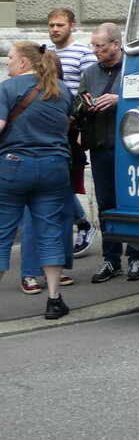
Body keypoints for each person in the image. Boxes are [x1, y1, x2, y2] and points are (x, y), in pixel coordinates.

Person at [18, 8, 98, 294]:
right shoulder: (28, 84)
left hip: (67, 146)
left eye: (59, 24)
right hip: (38, 156)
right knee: (39, 211)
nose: (54, 29)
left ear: (72, 26)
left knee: (61, 208)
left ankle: (55, 267)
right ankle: (31, 272)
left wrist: (78, 132)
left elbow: (88, 94)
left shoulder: (72, 73)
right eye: (50, 24)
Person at [0, 42, 74, 319]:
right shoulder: (63, 89)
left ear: (24, 63)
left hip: (13, 168)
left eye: (10, 58)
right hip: (55, 168)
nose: (7, 63)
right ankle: (54, 300)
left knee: (2, 234)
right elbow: (65, 124)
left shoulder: (6, 89)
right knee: (50, 232)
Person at [79, 23, 139, 283]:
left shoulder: (136, 68)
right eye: (93, 46)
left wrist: (119, 100)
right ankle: (110, 259)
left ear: (116, 45)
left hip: (132, 147)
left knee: (131, 202)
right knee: (106, 205)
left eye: (100, 46)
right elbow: (78, 100)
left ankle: (136, 257)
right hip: (100, 145)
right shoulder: (89, 72)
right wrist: (86, 104)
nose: (95, 51)